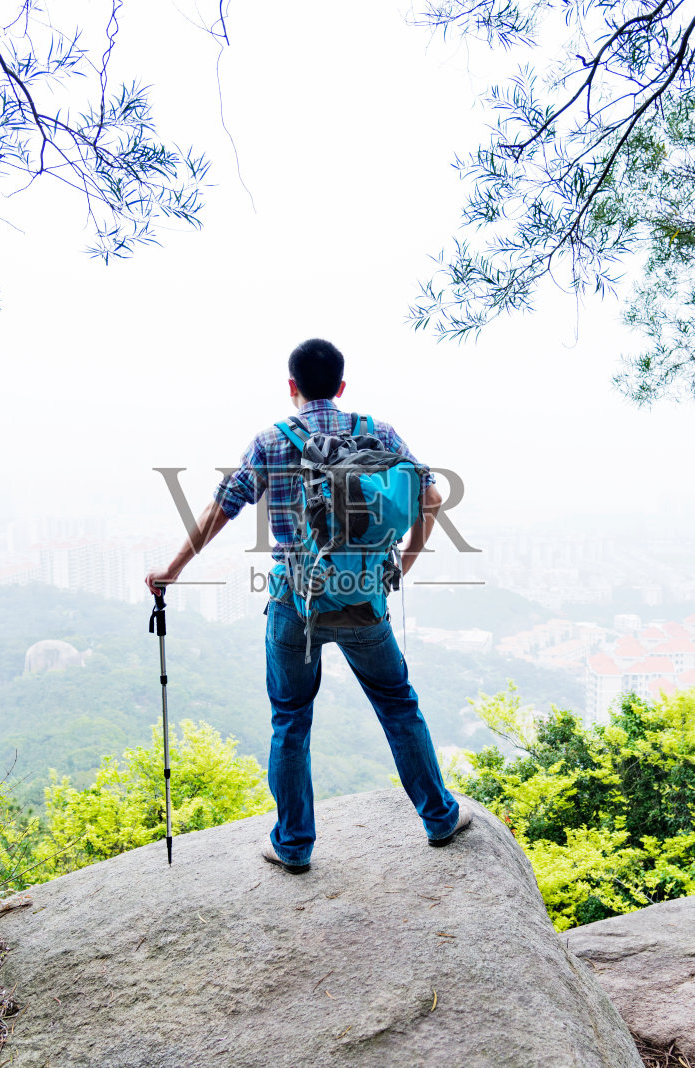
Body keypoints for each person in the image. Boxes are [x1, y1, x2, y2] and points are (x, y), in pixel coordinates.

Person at [144, 338, 471, 873]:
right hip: (364, 598)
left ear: (291, 387)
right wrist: (405, 562)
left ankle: (294, 846)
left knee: (291, 720)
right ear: (341, 388)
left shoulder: (272, 440)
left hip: (293, 602)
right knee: (397, 705)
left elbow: (221, 507)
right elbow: (430, 497)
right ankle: (439, 818)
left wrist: (171, 571)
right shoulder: (378, 433)